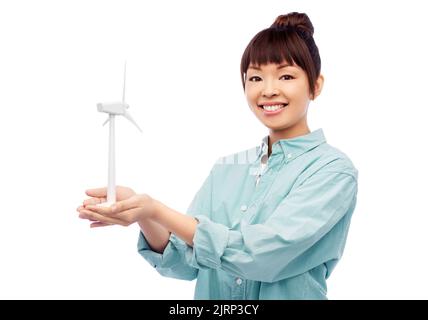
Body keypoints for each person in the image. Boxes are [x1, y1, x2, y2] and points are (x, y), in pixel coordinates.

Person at [77, 12, 358, 300]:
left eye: (286, 76)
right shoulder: (227, 169)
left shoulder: (332, 171)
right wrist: (143, 214)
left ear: (316, 85)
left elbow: (261, 255)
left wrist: (157, 209)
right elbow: (185, 262)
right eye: (256, 77)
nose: (269, 90)